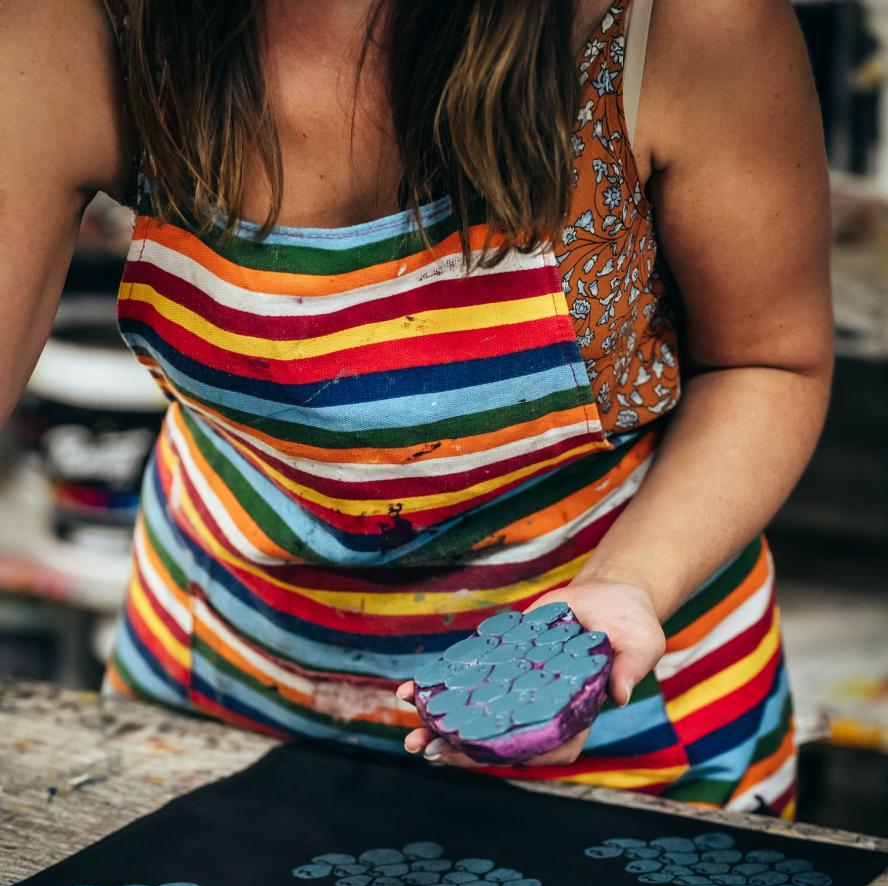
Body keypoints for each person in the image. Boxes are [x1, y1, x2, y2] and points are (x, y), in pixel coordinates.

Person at [0, 0, 832, 815]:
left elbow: (765, 361)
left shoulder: (684, 23)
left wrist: (628, 587)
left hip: (624, 742)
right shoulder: (81, 23)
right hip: (217, 695)